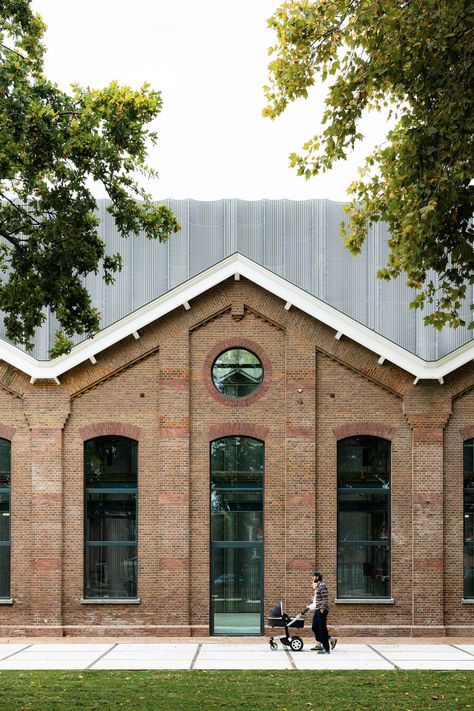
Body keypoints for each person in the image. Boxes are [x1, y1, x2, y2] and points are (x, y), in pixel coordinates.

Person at [308, 570, 337, 654]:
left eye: (313, 576)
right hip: (318, 609)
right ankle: (325, 642)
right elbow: (320, 598)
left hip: (322, 610)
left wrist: (322, 608)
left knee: (322, 629)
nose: (312, 578)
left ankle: (326, 648)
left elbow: (325, 598)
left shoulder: (322, 585)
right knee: (314, 626)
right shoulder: (319, 585)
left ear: (317, 577)